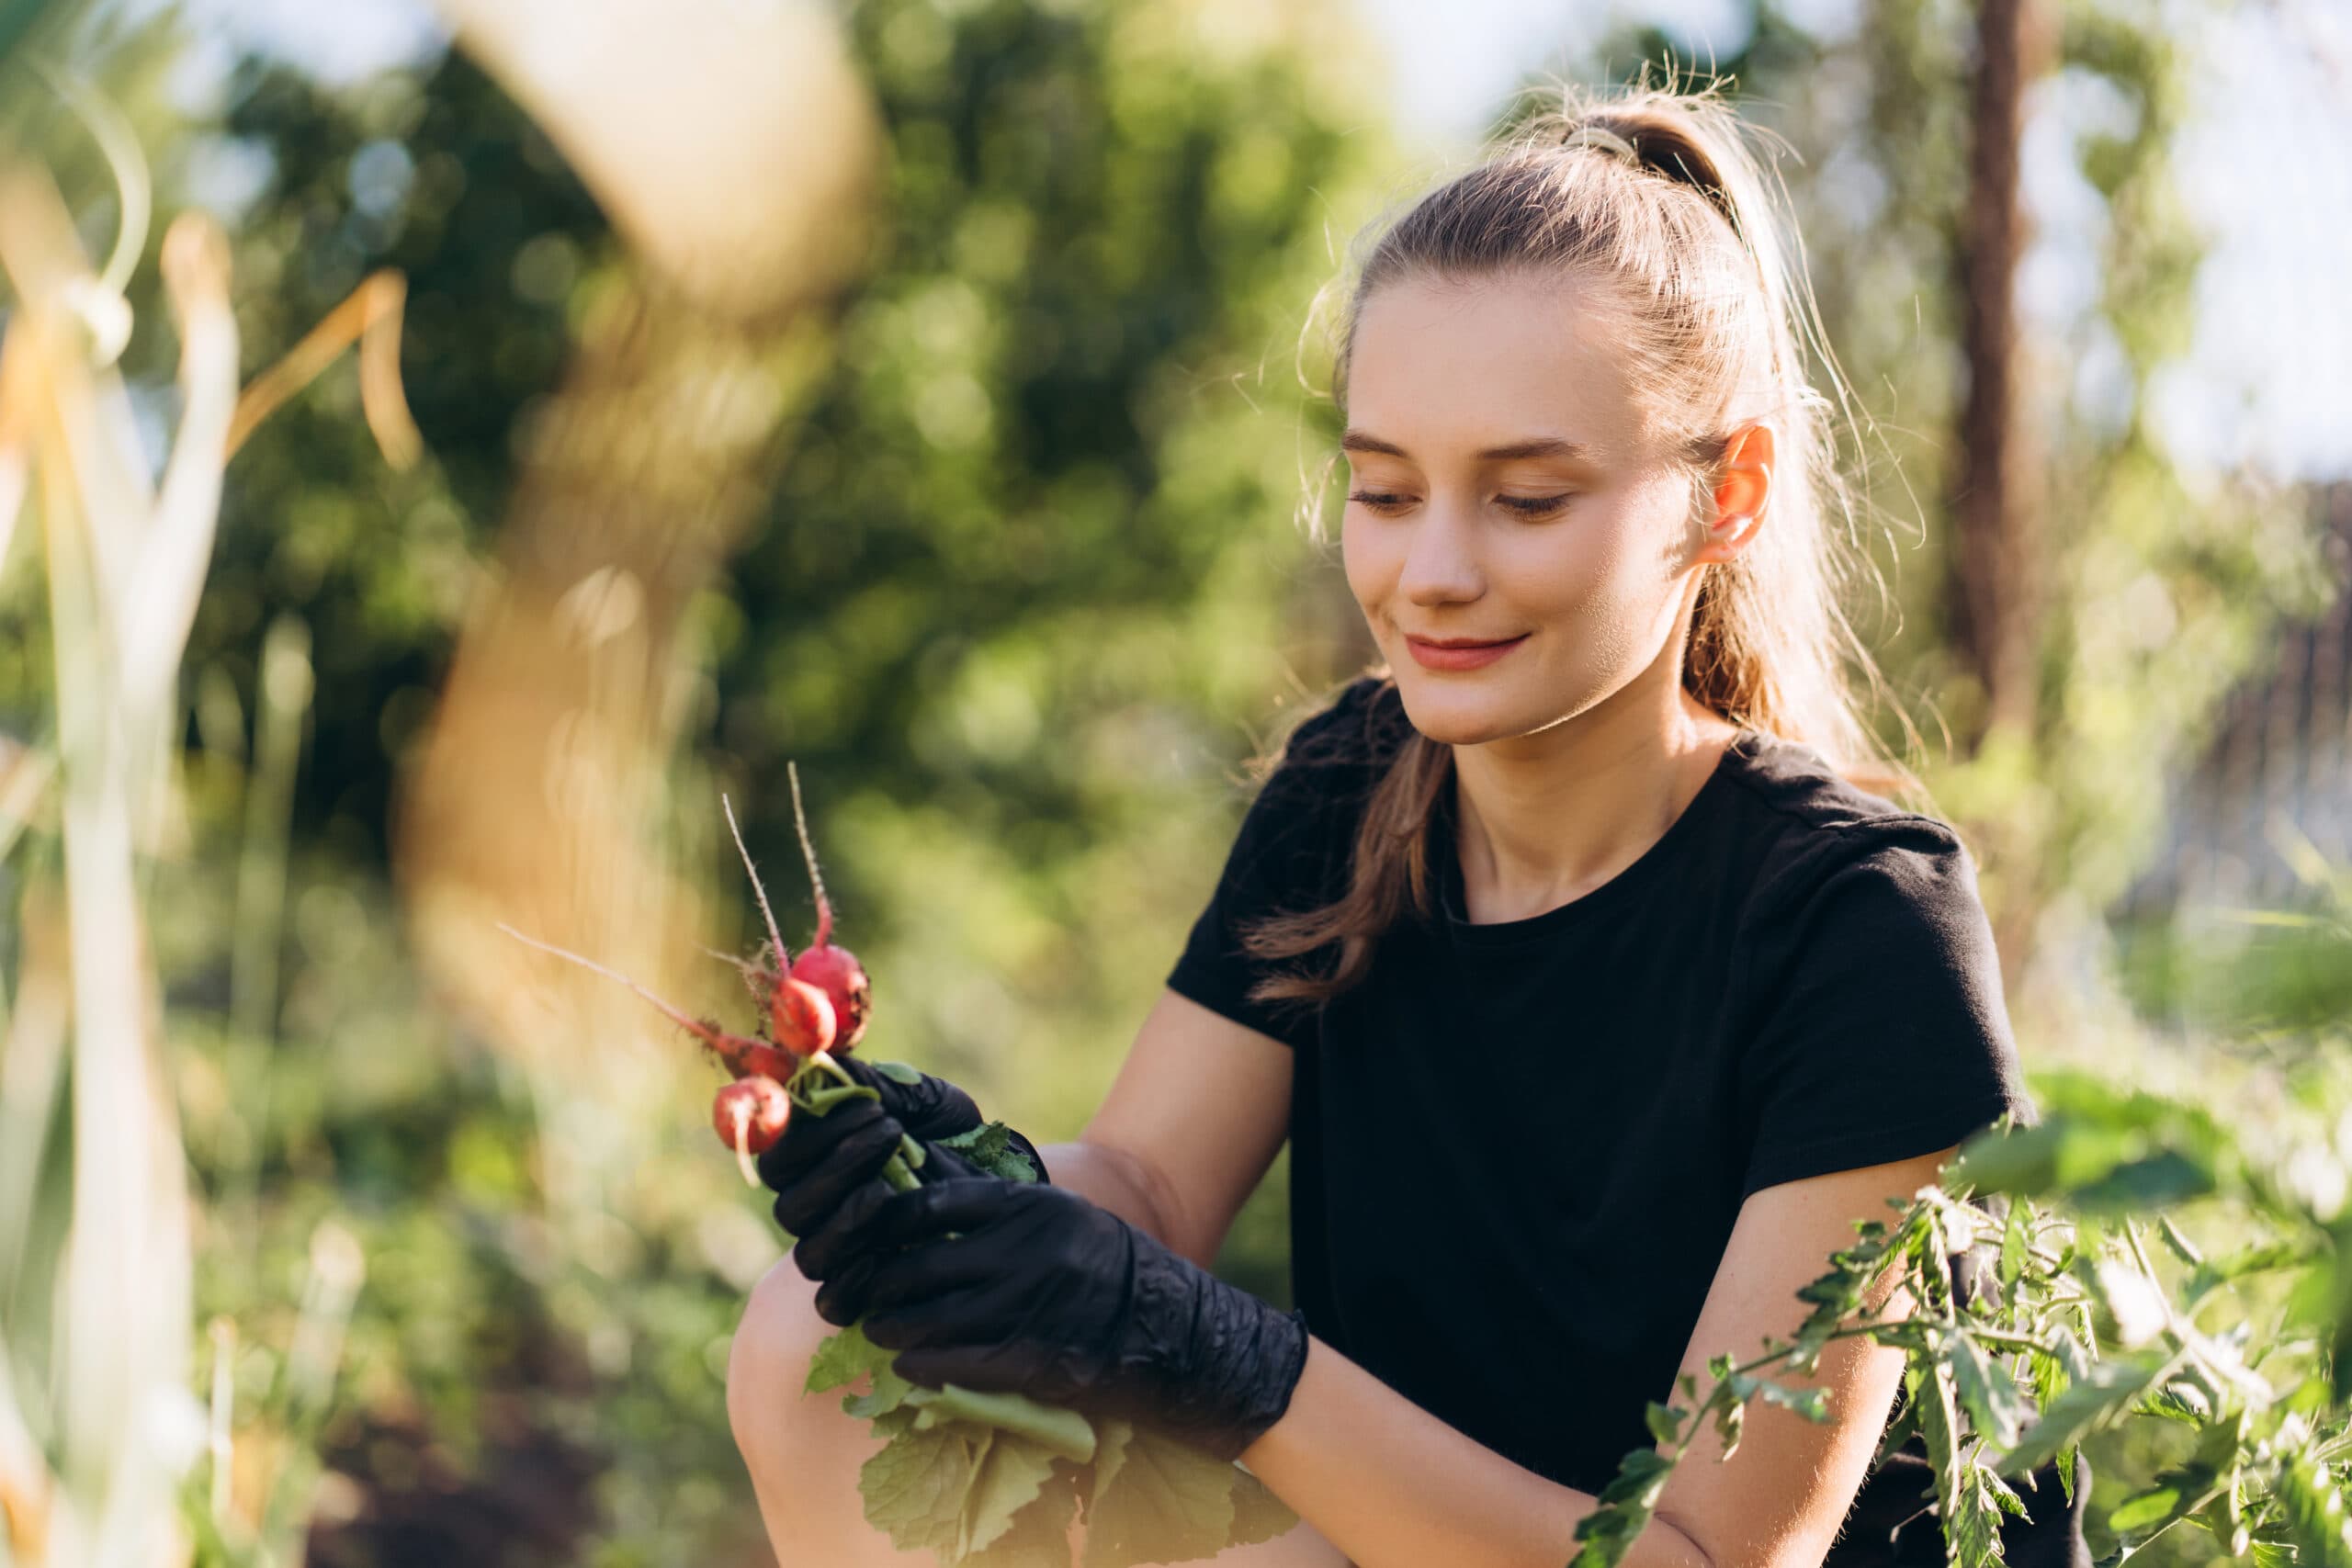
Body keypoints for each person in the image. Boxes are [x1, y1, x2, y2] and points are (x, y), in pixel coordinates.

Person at [725, 75, 2091, 1568]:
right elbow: (1151, 1186)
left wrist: (1232, 1362)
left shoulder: (1863, 929)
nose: (1431, 573)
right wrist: (969, 1184)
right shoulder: (1355, 791)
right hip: (1431, 1538)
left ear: (1728, 494)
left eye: (1525, 500)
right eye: (1384, 490)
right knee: (813, 1327)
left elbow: (1704, 1557)